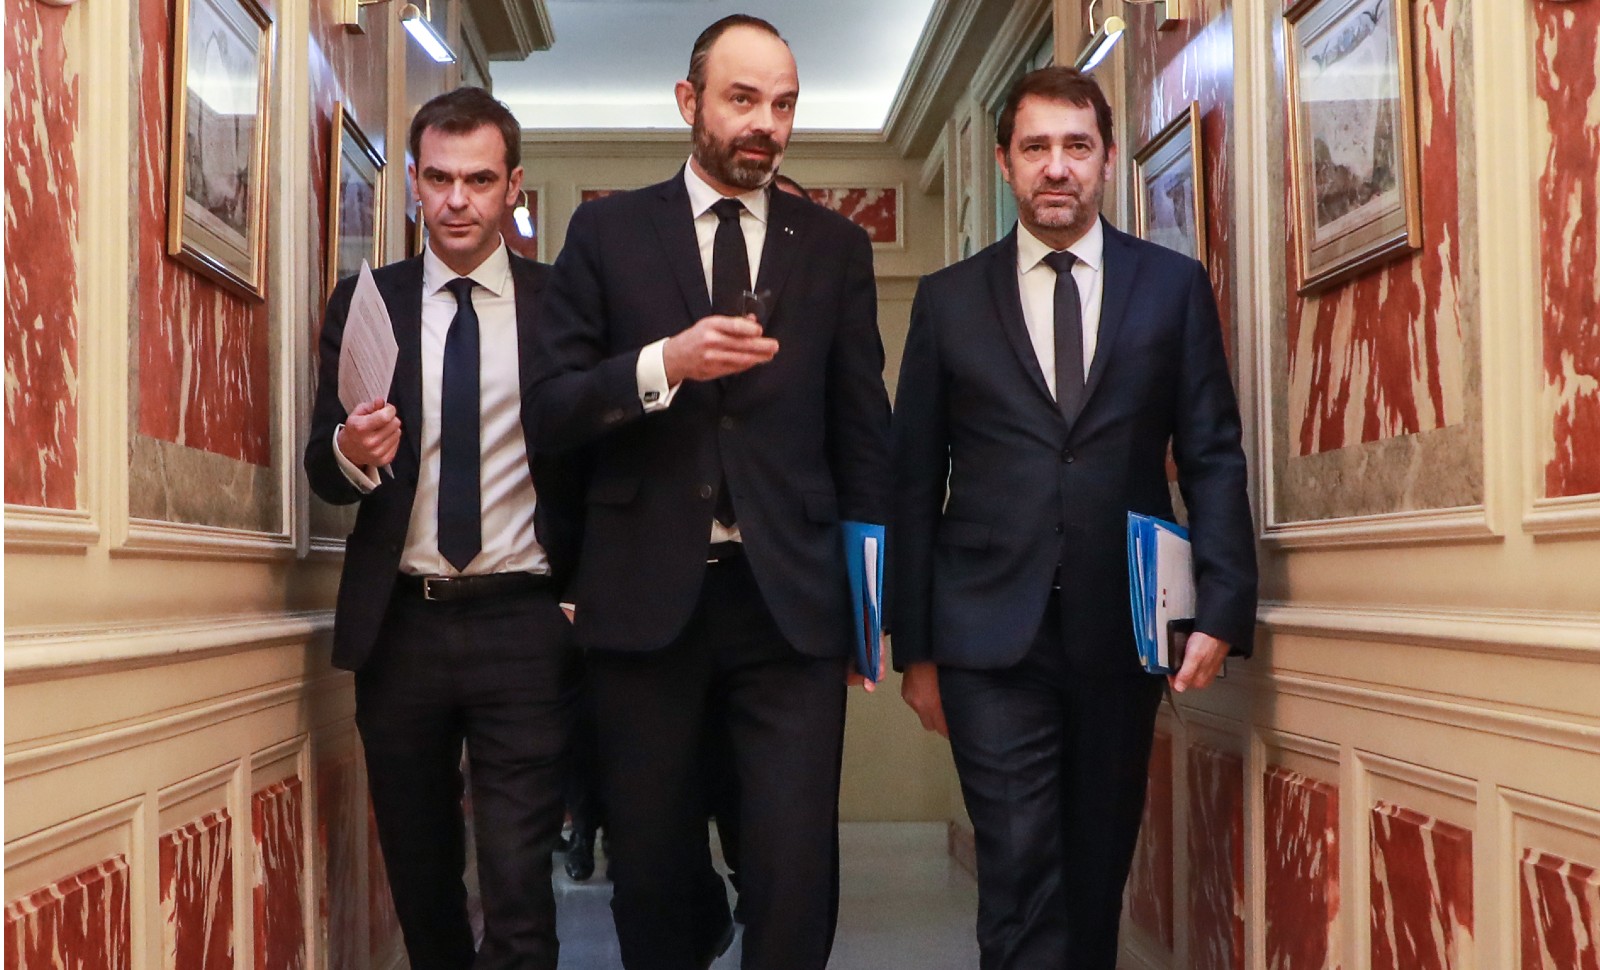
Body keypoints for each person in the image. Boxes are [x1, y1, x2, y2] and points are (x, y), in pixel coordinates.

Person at [527, 14, 891, 970]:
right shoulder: (607, 231)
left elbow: (865, 442)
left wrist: (870, 608)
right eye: (742, 100)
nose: (764, 123)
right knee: (652, 872)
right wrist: (664, 364)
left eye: (783, 104)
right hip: (642, 604)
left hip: (791, 611)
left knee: (793, 872)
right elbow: (552, 411)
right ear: (689, 103)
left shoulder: (835, 249)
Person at [890, 66, 1257, 970]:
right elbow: (910, 482)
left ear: (1104, 163)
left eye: (1077, 147)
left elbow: (1211, 451)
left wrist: (1221, 605)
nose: (1058, 167)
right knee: (1017, 870)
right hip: (984, 638)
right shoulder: (947, 300)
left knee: (1095, 873)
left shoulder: (1171, 288)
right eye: (1037, 148)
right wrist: (916, 650)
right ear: (1007, 164)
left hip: (1122, 633)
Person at [304, 86, 581, 970]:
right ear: (414, 187)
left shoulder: (562, 304)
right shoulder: (369, 301)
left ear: (513, 189)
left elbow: (606, 450)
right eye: (439, 179)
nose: (457, 199)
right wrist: (352, 446)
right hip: (402, 628)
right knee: (422, 884)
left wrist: (587, 594)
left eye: (479, 179)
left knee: (517, 883)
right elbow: (321, 466)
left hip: (525, 624)